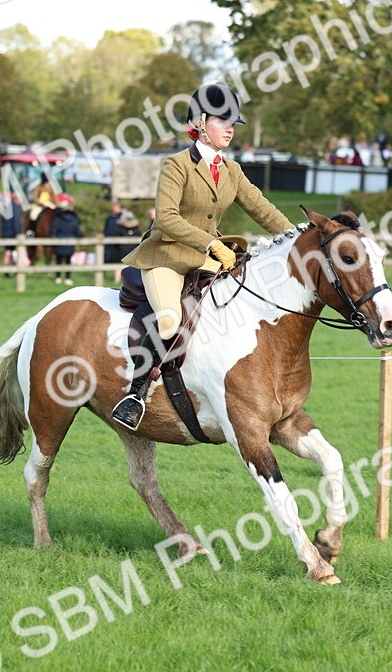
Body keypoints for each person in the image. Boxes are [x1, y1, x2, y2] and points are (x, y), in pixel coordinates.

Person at [111, 82, 296, 430]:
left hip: (209, 257)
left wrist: (298, 235)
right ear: (198, 123)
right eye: (222, 120)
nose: (230, 128)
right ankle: (136, 393)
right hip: (165, 256)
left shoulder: (232, 171)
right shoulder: (176, 164)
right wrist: (211, 245)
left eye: (233, 122)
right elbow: (166, 219)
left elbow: (263, 210)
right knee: (168, 318)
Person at [49, 193, 82, 285]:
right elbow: (78, 232)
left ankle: (58, 277)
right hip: (70, 241)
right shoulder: (74, 219)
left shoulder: (58, 218)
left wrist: (53, 238)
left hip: (59, 240)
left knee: (58, 260)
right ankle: (68, 278)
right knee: (68, 260)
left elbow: (53, 230)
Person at [103, 201, 140, 282]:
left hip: (124, 244)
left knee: (123, 261)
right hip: (112, 242)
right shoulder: (111, 217)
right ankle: (117, 278)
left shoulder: (125, 215)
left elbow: (134, 224)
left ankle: (123, 279)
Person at [0, 192, 23, 276]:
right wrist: (18, 234)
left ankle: (6, 271)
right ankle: (14, 271)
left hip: (5, 233)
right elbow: (16, 222)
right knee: (12, 252)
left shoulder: (7, 207)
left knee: (8, 252)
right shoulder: (15, 208)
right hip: (12, 234)